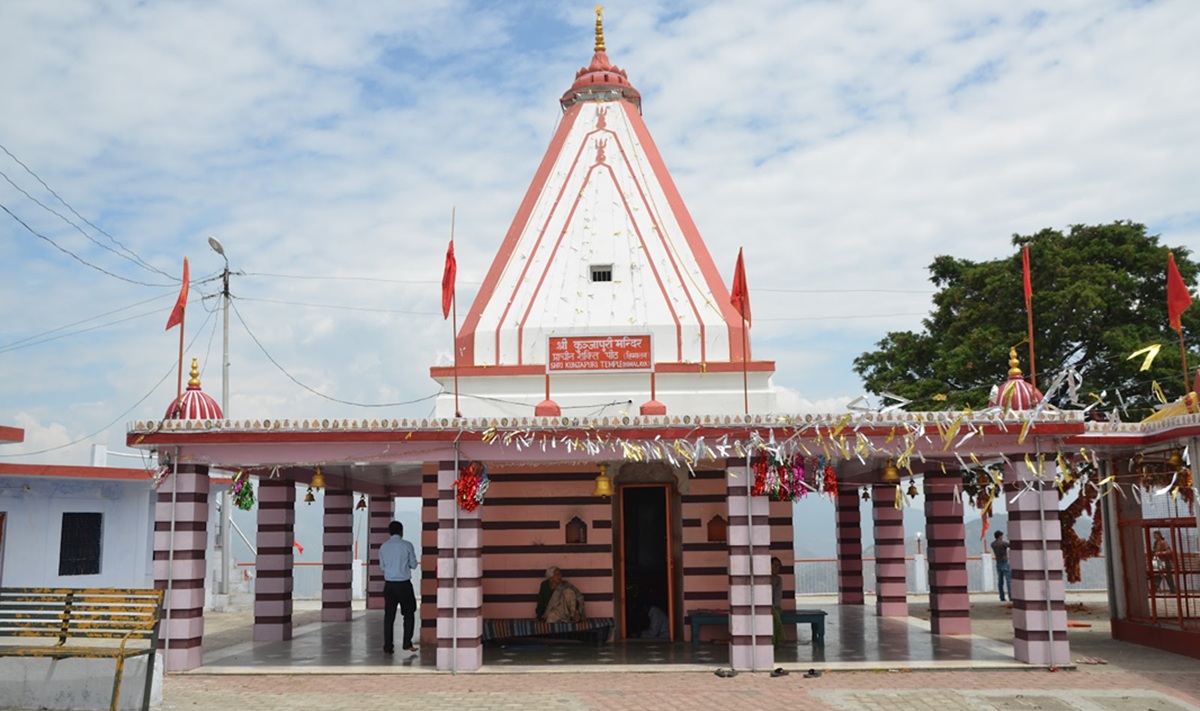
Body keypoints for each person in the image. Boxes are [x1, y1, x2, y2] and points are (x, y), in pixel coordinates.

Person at [380, 520, 419, 654]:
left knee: (389, 616)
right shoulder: (407, 545)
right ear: (401, 531)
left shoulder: (384, 547)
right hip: (404, 584)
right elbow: (413, 565)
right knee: (409, 613)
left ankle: (388, 646)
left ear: (389, 532)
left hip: (389, 585)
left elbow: (382, 567)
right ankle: (407, 643)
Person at [991, 531, 1012, 602]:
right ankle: (1011, 596)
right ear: (1000, 536)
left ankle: (1002, 596)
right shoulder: (1003, 543)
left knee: (1000, 581)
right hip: (1004, 562)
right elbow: (1011, 545)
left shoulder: (993, 544)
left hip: (998, 563)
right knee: (1008, 581)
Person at [771, 557, 784, 646]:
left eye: (778, 566)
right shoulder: (762, 579)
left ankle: (776, 640)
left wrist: (773, 607)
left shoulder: (778, 580)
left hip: (775, 607)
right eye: (774, 565)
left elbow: (778, 596)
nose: (776, 568)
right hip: (763, 606)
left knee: (775, 617)